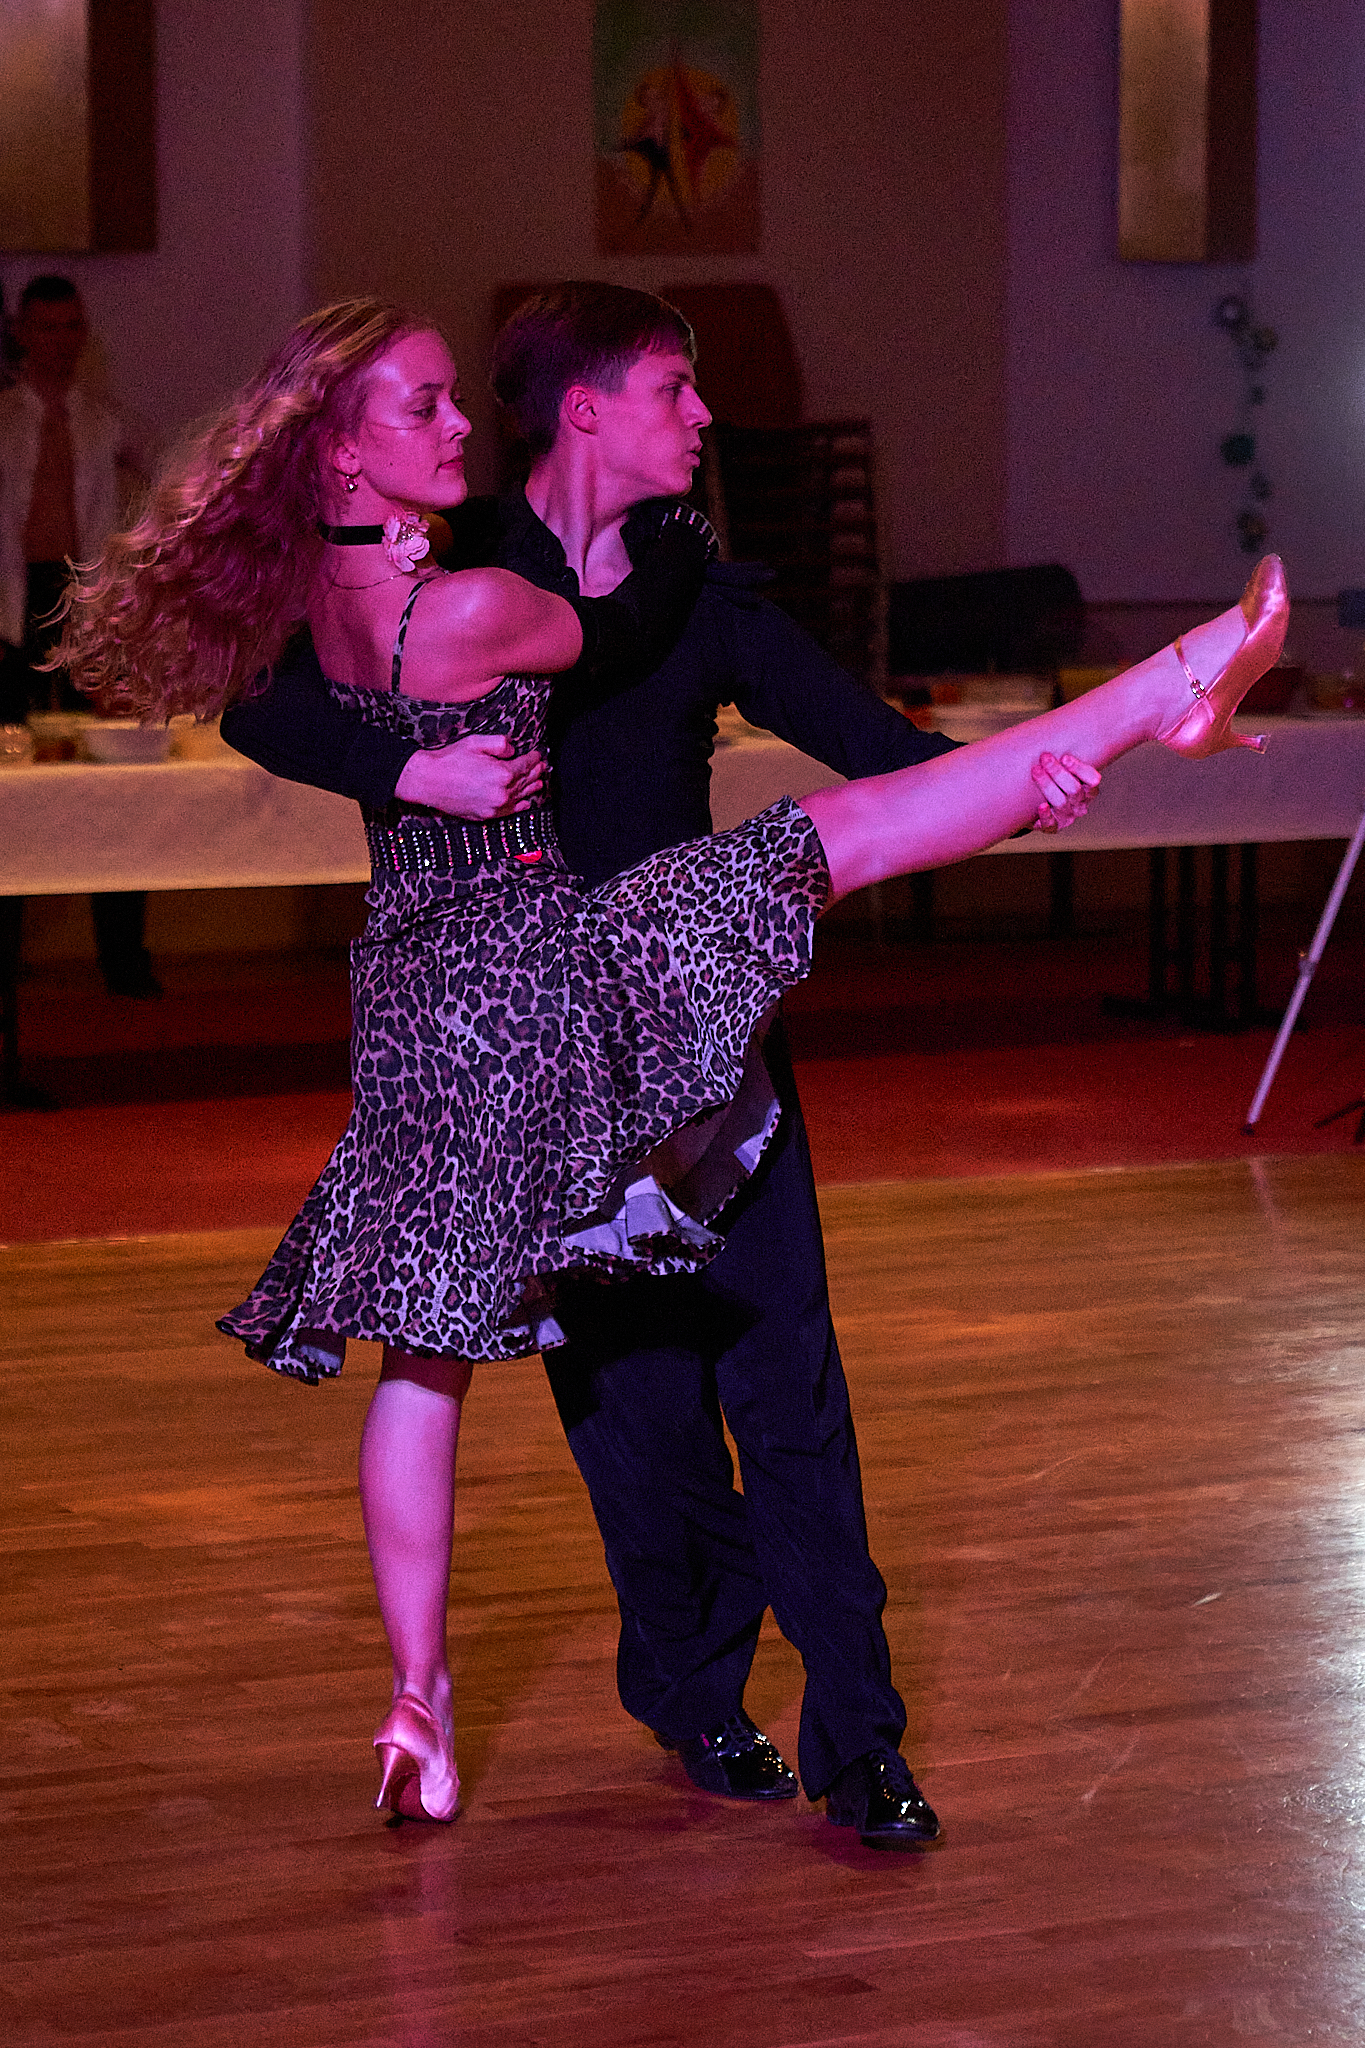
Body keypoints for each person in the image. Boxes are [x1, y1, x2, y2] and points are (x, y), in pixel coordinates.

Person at [59, 299, 1286, 1835]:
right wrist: (411, 761)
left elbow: (884, 759)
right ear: (580, 409)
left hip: (638, 1026)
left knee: (742, 1384)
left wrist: (1017, 787)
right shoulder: (473, 574)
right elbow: (276, 695)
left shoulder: (625, 585)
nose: (704, 418)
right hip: (562, 1024)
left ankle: (829, 1735)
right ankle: (694, 1696)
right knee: (641, 1426)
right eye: (672, 389)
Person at [0, 275, 158, 999]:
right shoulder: (5, 417)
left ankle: (123, 958)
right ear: (21, 332)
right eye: (45, 327)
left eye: (70, 327)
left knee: (111, 780)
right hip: (10, 608)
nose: (58, 342)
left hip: (83, 607)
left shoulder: (103, 419)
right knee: (10, 786)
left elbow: (169, 476)